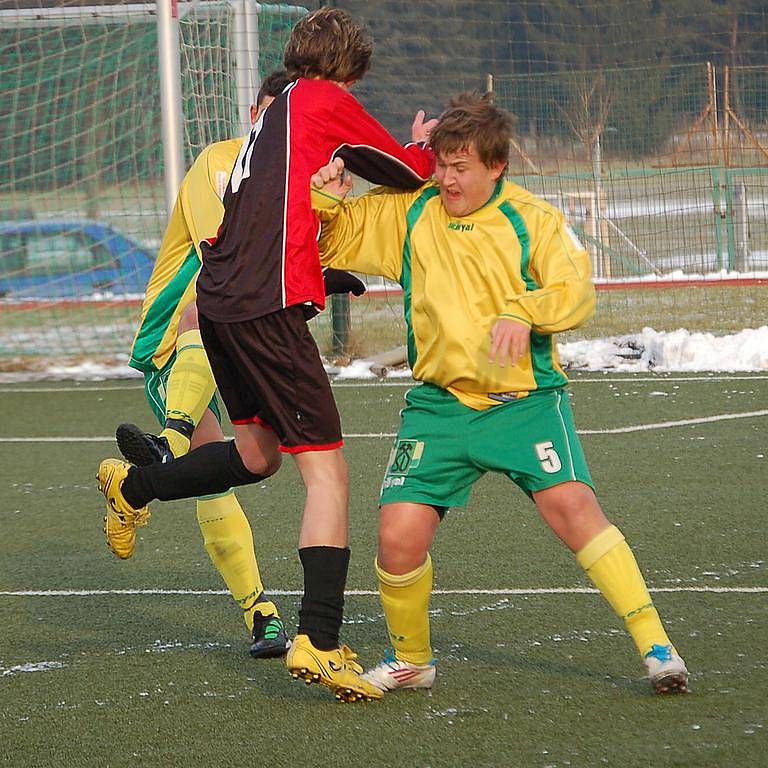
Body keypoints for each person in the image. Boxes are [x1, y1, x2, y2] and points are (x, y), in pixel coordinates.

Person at [96, 7, 436, 703]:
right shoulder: (321, 99)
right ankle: (319, 637)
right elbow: (402, 170)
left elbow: (273, 215)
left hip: (223, 304)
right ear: (346, 67)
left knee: (257, 456)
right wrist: (427, 149)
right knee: (329, 475)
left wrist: (320, 274)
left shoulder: (277, 111)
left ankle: (132, 488)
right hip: (262, 309)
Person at [310, 92, 689, 696]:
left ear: (496, 166)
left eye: (461, 168)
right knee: (396, 534)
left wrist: (524, 311)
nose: (446, 179)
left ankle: (658, 647)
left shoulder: (530, 219)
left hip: (524, 403)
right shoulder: (412, 210)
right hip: (437, 408)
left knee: (574, 512)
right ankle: (412, 660)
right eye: (441, 165)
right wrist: (328, 196)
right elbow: (330, 241)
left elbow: (576, 291)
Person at [116, 70, 365, 660]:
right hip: (181, 338)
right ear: (257, 113)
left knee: (251, 460)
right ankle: (261, 614)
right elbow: (224, 250)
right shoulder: (223, 162)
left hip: (246, 328)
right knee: (218, 468)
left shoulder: (305, 178)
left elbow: (292, 255)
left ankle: (140, 480)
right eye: (278, 113)